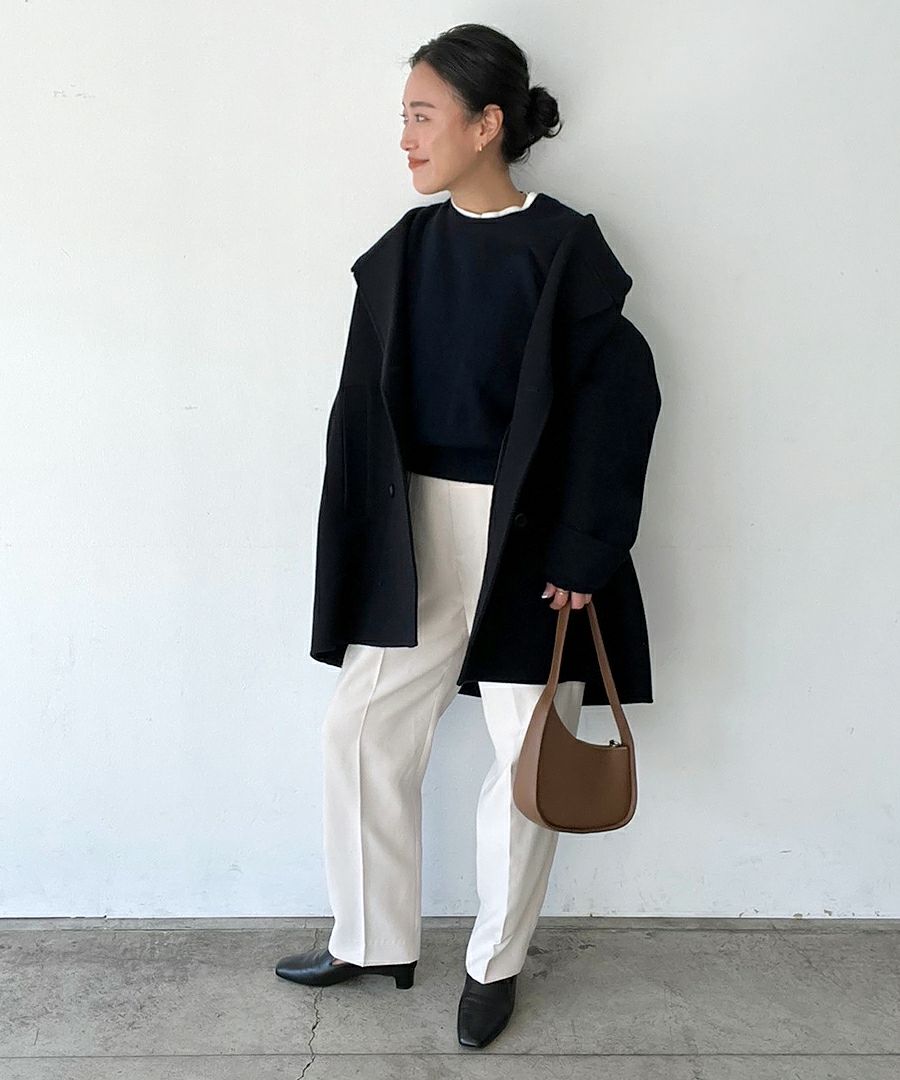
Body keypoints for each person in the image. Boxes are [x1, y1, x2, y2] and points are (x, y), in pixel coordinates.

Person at [275, 23, 662, 1051]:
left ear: (487, 125)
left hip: (527, 534)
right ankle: (371, 938)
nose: (405, 137)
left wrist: (585, 549)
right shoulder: (405, 251)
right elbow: (363, 414)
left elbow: (620, 406)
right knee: (362, 728)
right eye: (403, 116)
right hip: (416, 527)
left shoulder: (564, 250)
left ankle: (495, 964)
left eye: (422, 115)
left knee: (525, 754)